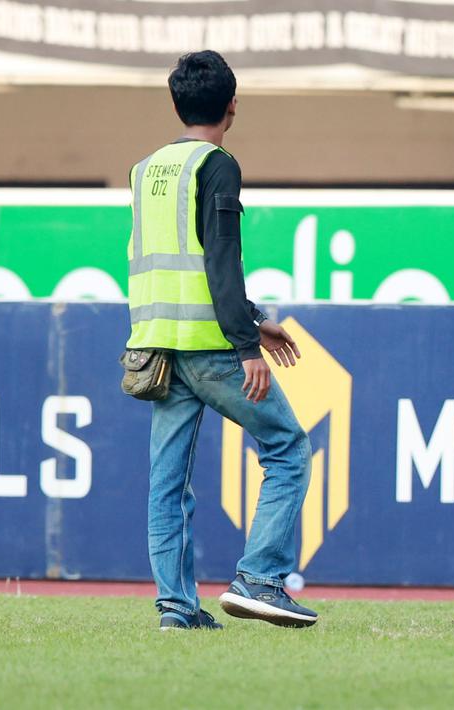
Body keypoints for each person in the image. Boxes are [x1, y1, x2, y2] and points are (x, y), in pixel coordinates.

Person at [127, 50, 317, 630]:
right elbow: (220, 258)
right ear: (232, 104)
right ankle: (259, 578)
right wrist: (246, 344)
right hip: (211, 346)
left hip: (156, 347)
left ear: (177, 102)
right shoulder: (218, 164)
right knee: (288, 450)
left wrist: (252, 317)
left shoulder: (146, 168)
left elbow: (178, 261)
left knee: (167, 483)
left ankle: (176, 610)